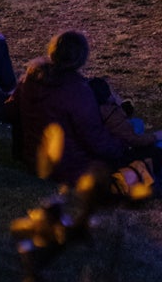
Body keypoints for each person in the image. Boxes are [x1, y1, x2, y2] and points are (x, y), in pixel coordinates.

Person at [11, 30, 147, 180]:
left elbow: (10, 111)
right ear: (80, 58)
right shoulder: (78, 91)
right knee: (137, 126)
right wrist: (123, 147)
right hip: (68, 167)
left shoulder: (30, 80)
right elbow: (96, 140)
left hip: (35, 160)